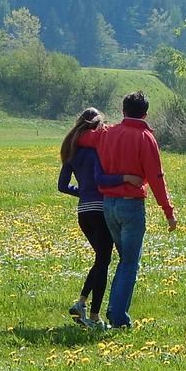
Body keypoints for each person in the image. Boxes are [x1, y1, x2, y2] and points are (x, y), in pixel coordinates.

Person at [77, 91, 177, 328]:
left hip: (108, 205)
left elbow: (82, 138)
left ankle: (112, 309)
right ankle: (118, 316)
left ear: (123, 111)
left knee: (124, 260)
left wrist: (96, 125)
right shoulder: (146, 138)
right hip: (131, 206)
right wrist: (168, 212)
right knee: (130, 262)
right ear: (146, 113)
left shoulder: (107, 133)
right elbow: (156, 178)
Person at [57, 108, 141, 330]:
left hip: (83, 212)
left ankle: (82, 303)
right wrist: (126, 178)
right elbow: (100, 178)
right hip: (100, 210)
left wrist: (83, 191)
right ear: (97, 127)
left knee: (101, 258)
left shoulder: (71, 151)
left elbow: (62, 186)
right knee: (103, 262)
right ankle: (93, 316)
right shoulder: (95, 151)